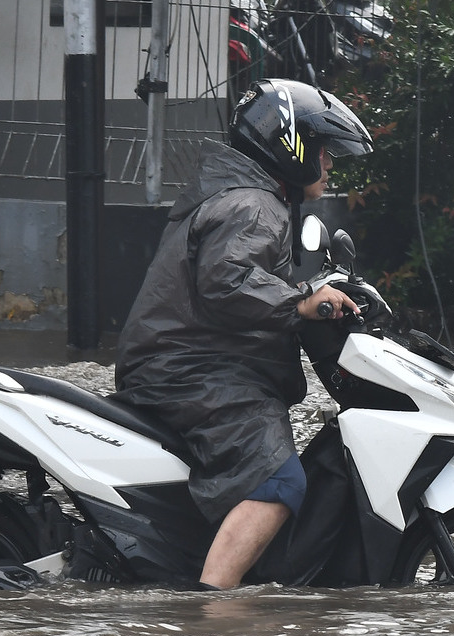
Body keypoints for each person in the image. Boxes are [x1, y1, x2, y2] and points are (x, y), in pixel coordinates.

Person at [112, 79, 373, 589]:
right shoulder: (253, 204)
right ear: (292, 146)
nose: (329, 164)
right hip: (193, 371)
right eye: (323, 151)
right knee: (280, 480)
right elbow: (226, 281)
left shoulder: (244, 194)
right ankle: (214, 614)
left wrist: (309, 290)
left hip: (188, 362)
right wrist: (301, 302)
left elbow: (241, 276)